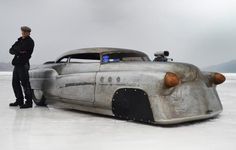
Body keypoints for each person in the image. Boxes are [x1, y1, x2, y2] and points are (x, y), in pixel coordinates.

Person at [9, 26, 34, 109]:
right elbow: (11, 50)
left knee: (25, 83)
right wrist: (18, 50)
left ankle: (29, 102)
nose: (23, 33)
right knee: (15, 83)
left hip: (23, 65)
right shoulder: (19, 40)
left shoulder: (30, 41)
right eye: (22, 31)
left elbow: (22, 50)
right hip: (17, 65)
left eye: (25, 31)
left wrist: (18, 50)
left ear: (28, 33)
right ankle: (19, 100)